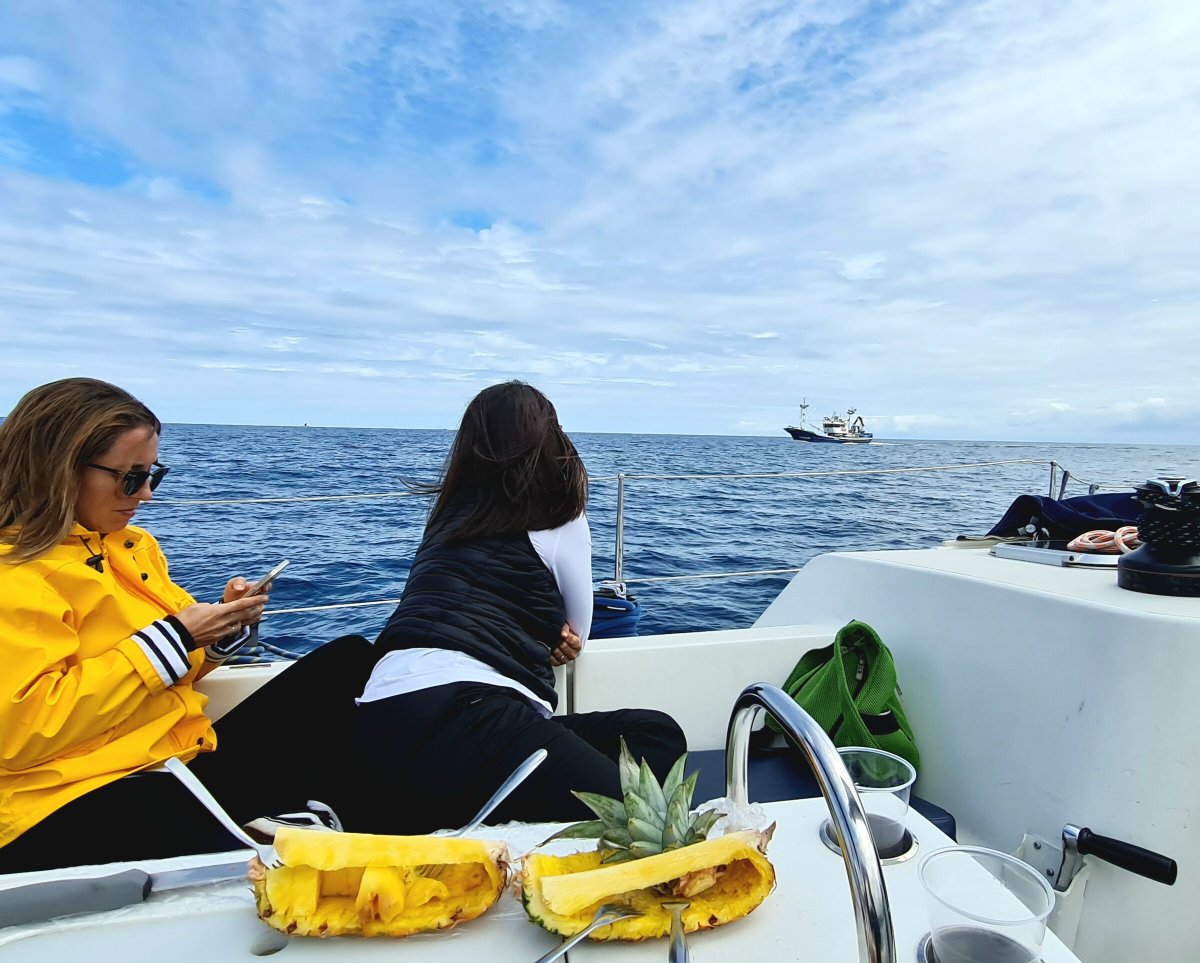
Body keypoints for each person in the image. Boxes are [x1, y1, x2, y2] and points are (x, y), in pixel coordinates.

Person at [0, 378, 374, 872]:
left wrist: (217, 634)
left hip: (172, 758)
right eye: (130, 478)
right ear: (58, 471)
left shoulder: (130, 548)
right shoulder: (15, 571)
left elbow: (167, 671)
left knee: (348, 661)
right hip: (63, 803)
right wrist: (172, 639)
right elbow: (19, 735)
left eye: (153, 473)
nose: (147, 494)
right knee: (300, 851)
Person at [352, 381, 686, 833]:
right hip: (472, 710)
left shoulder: (445, 519)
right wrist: (553, 637)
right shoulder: (560, 513)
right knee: (637, 822)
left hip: (375, 719)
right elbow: (577, 633)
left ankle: (489, 814)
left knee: (657, 733)